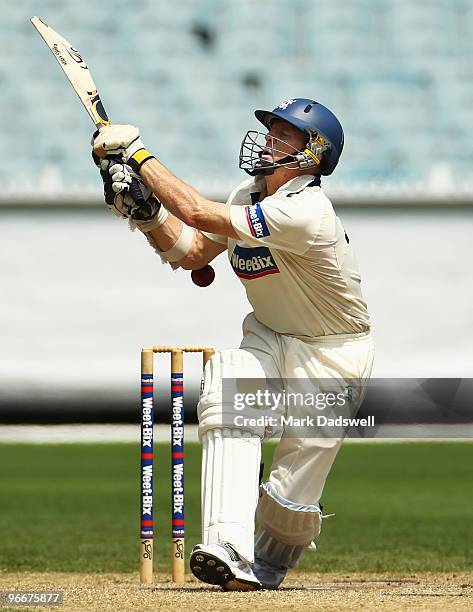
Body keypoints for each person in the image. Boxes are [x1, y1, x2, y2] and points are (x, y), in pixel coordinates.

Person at [92, 98, 374, 591]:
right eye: (270, 131)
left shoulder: (307, 212)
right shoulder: (248, 194)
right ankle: (227, 545)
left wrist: (137, 154)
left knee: (287, 507)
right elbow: (195, 254)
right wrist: (146, 213)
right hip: (269, 333)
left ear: (313, 153)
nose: (269, 140)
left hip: (334, 353)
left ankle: (263, 561)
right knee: (227, 378)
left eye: (284, 135)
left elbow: (198, 210)